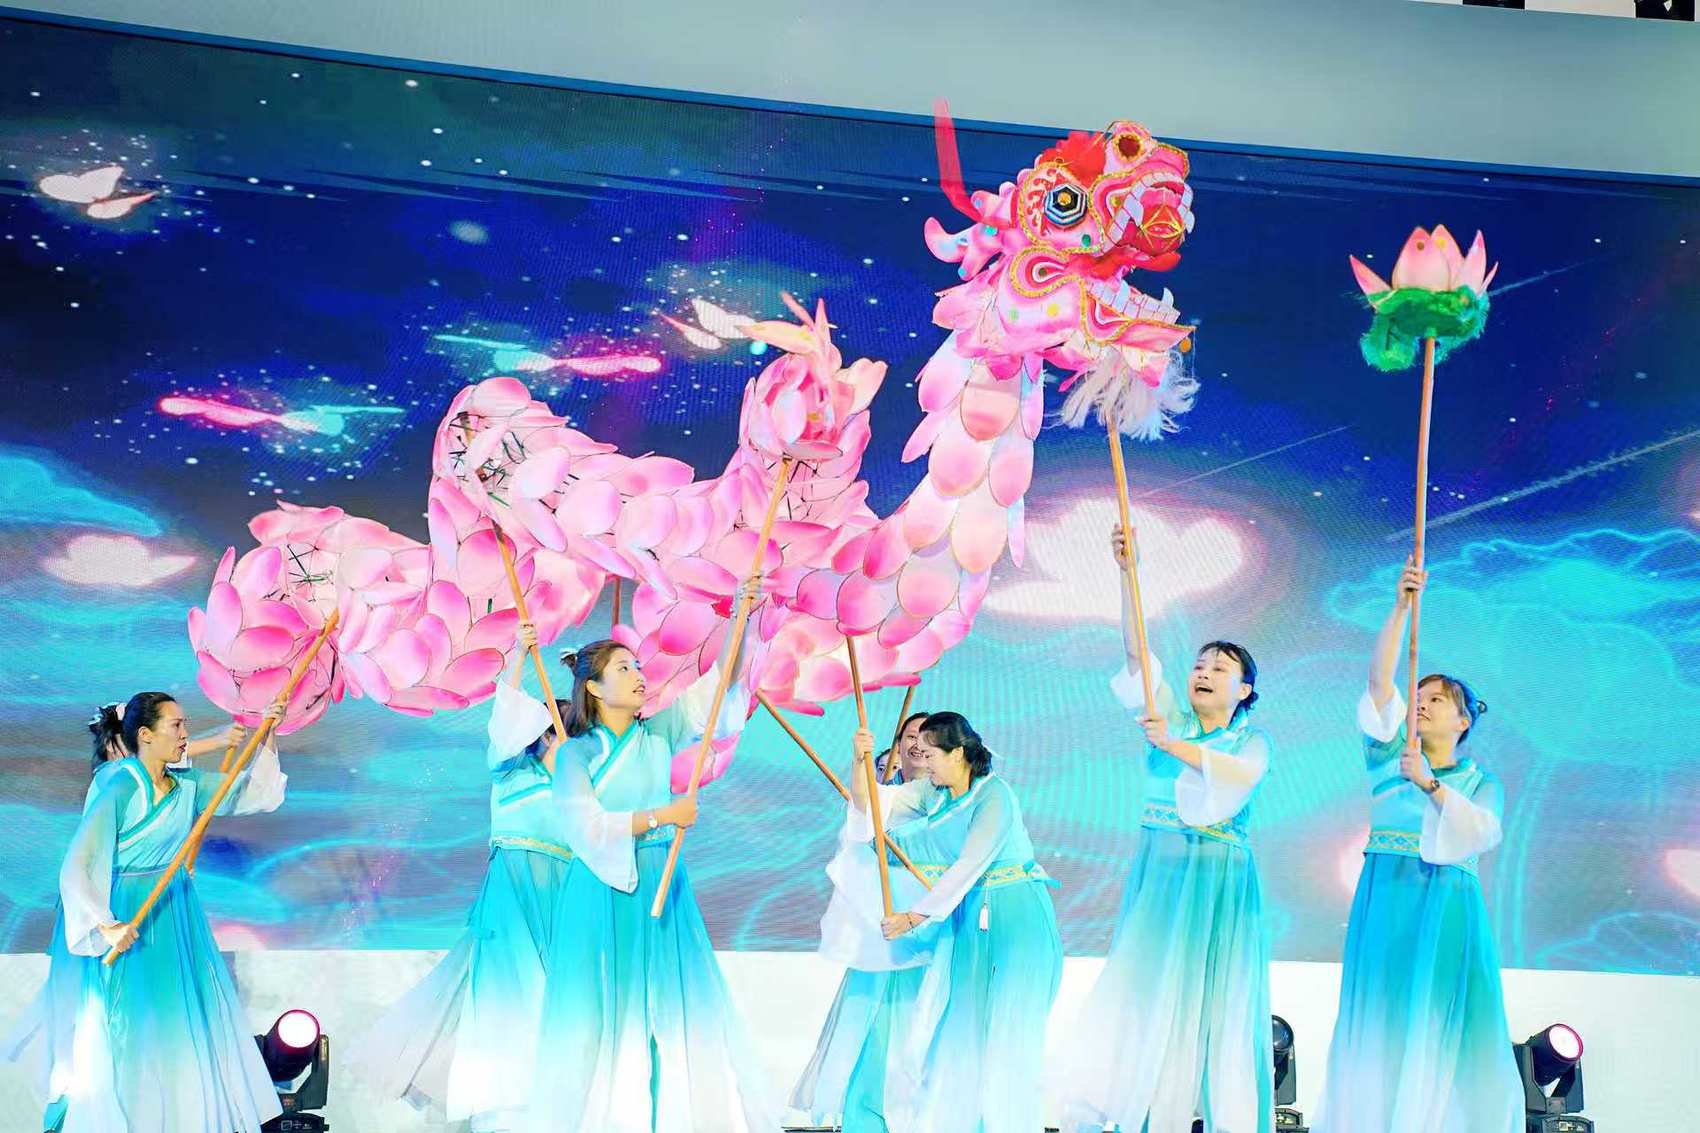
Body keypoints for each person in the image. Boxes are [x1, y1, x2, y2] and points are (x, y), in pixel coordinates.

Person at [522, 590, 781, 1132]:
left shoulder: (659, 732)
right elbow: (586, 827)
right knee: (602, 1008)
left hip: (663, 879)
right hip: (602, 884)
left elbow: (719, 690)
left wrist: (741, 616)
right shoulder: (575, 754)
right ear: (594, 687)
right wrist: (663, 815)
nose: (639, 675)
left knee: (668, 1003)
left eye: (638, 666)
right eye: (624, 668)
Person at [1053, 527, 1274, 1133]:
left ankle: (1210, 1114)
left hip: (1217, 878)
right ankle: (1142, 1111)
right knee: (1144, 986)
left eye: (1220, 668)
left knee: (1208, 998)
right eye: (1199, 664)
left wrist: (1174, 746)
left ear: (1244, 690)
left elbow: (1238, 777)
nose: (1204, 672)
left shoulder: (1249, 739)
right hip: (1161, 871)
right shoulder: (1169, 714)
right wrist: (1128, 573)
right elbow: (1138, 654)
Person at [1310, 561, 1521, 1133]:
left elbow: (1482, 833)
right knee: (1378, 1012)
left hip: (1447, 902)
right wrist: (1401, 605)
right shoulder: (1388, 756)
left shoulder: (1480, 781)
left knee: (1436, 1014)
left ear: (1464, 721)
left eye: (1438, 699)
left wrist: (1430, 784)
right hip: (1386, 893)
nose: (1422, 703)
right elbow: (1380, 683)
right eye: (1419, 695)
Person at [12, 691, 286, 1133]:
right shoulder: (120, 784)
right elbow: (80, 862)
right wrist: (105, 924)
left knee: (181, 1017)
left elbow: (251, 793)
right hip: (128, 914)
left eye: (184, 725)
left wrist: (269, 731)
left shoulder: (187, 786)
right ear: (145, 734)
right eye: (176, 726)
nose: (185, 734)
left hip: (174, 912)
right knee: (128, 1023)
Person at [354, 619, 576, 1132]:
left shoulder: (579, 788)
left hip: (564, 898)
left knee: (558, 998)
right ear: (544, 734)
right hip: (512, 897)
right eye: (567, 731)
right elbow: (507, 717)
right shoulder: (512, 772)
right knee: (510, 994)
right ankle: (501, 1107)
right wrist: (519, 655)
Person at [820, 711, 1061, 1133]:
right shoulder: (932, 793)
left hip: (1017, 918)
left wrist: (913, 917)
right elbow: (872, 805)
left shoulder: (994, 796)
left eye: (930, 754)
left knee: (1009, 1031)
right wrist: (859, 762)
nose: (922, 761)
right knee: (962, 1030)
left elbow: (969, 864)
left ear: (958, 753)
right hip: (968, 920)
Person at [790, 710, 930, 1130]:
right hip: (883, 926)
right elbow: (861, 815)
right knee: (872, 1021)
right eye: (909, 736)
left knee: (925, 1019)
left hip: (931, 923)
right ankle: (866, 1115)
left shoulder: (950, 797)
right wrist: (858, 761)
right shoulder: (885, 794)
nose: (918, 743)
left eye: (927, 736)